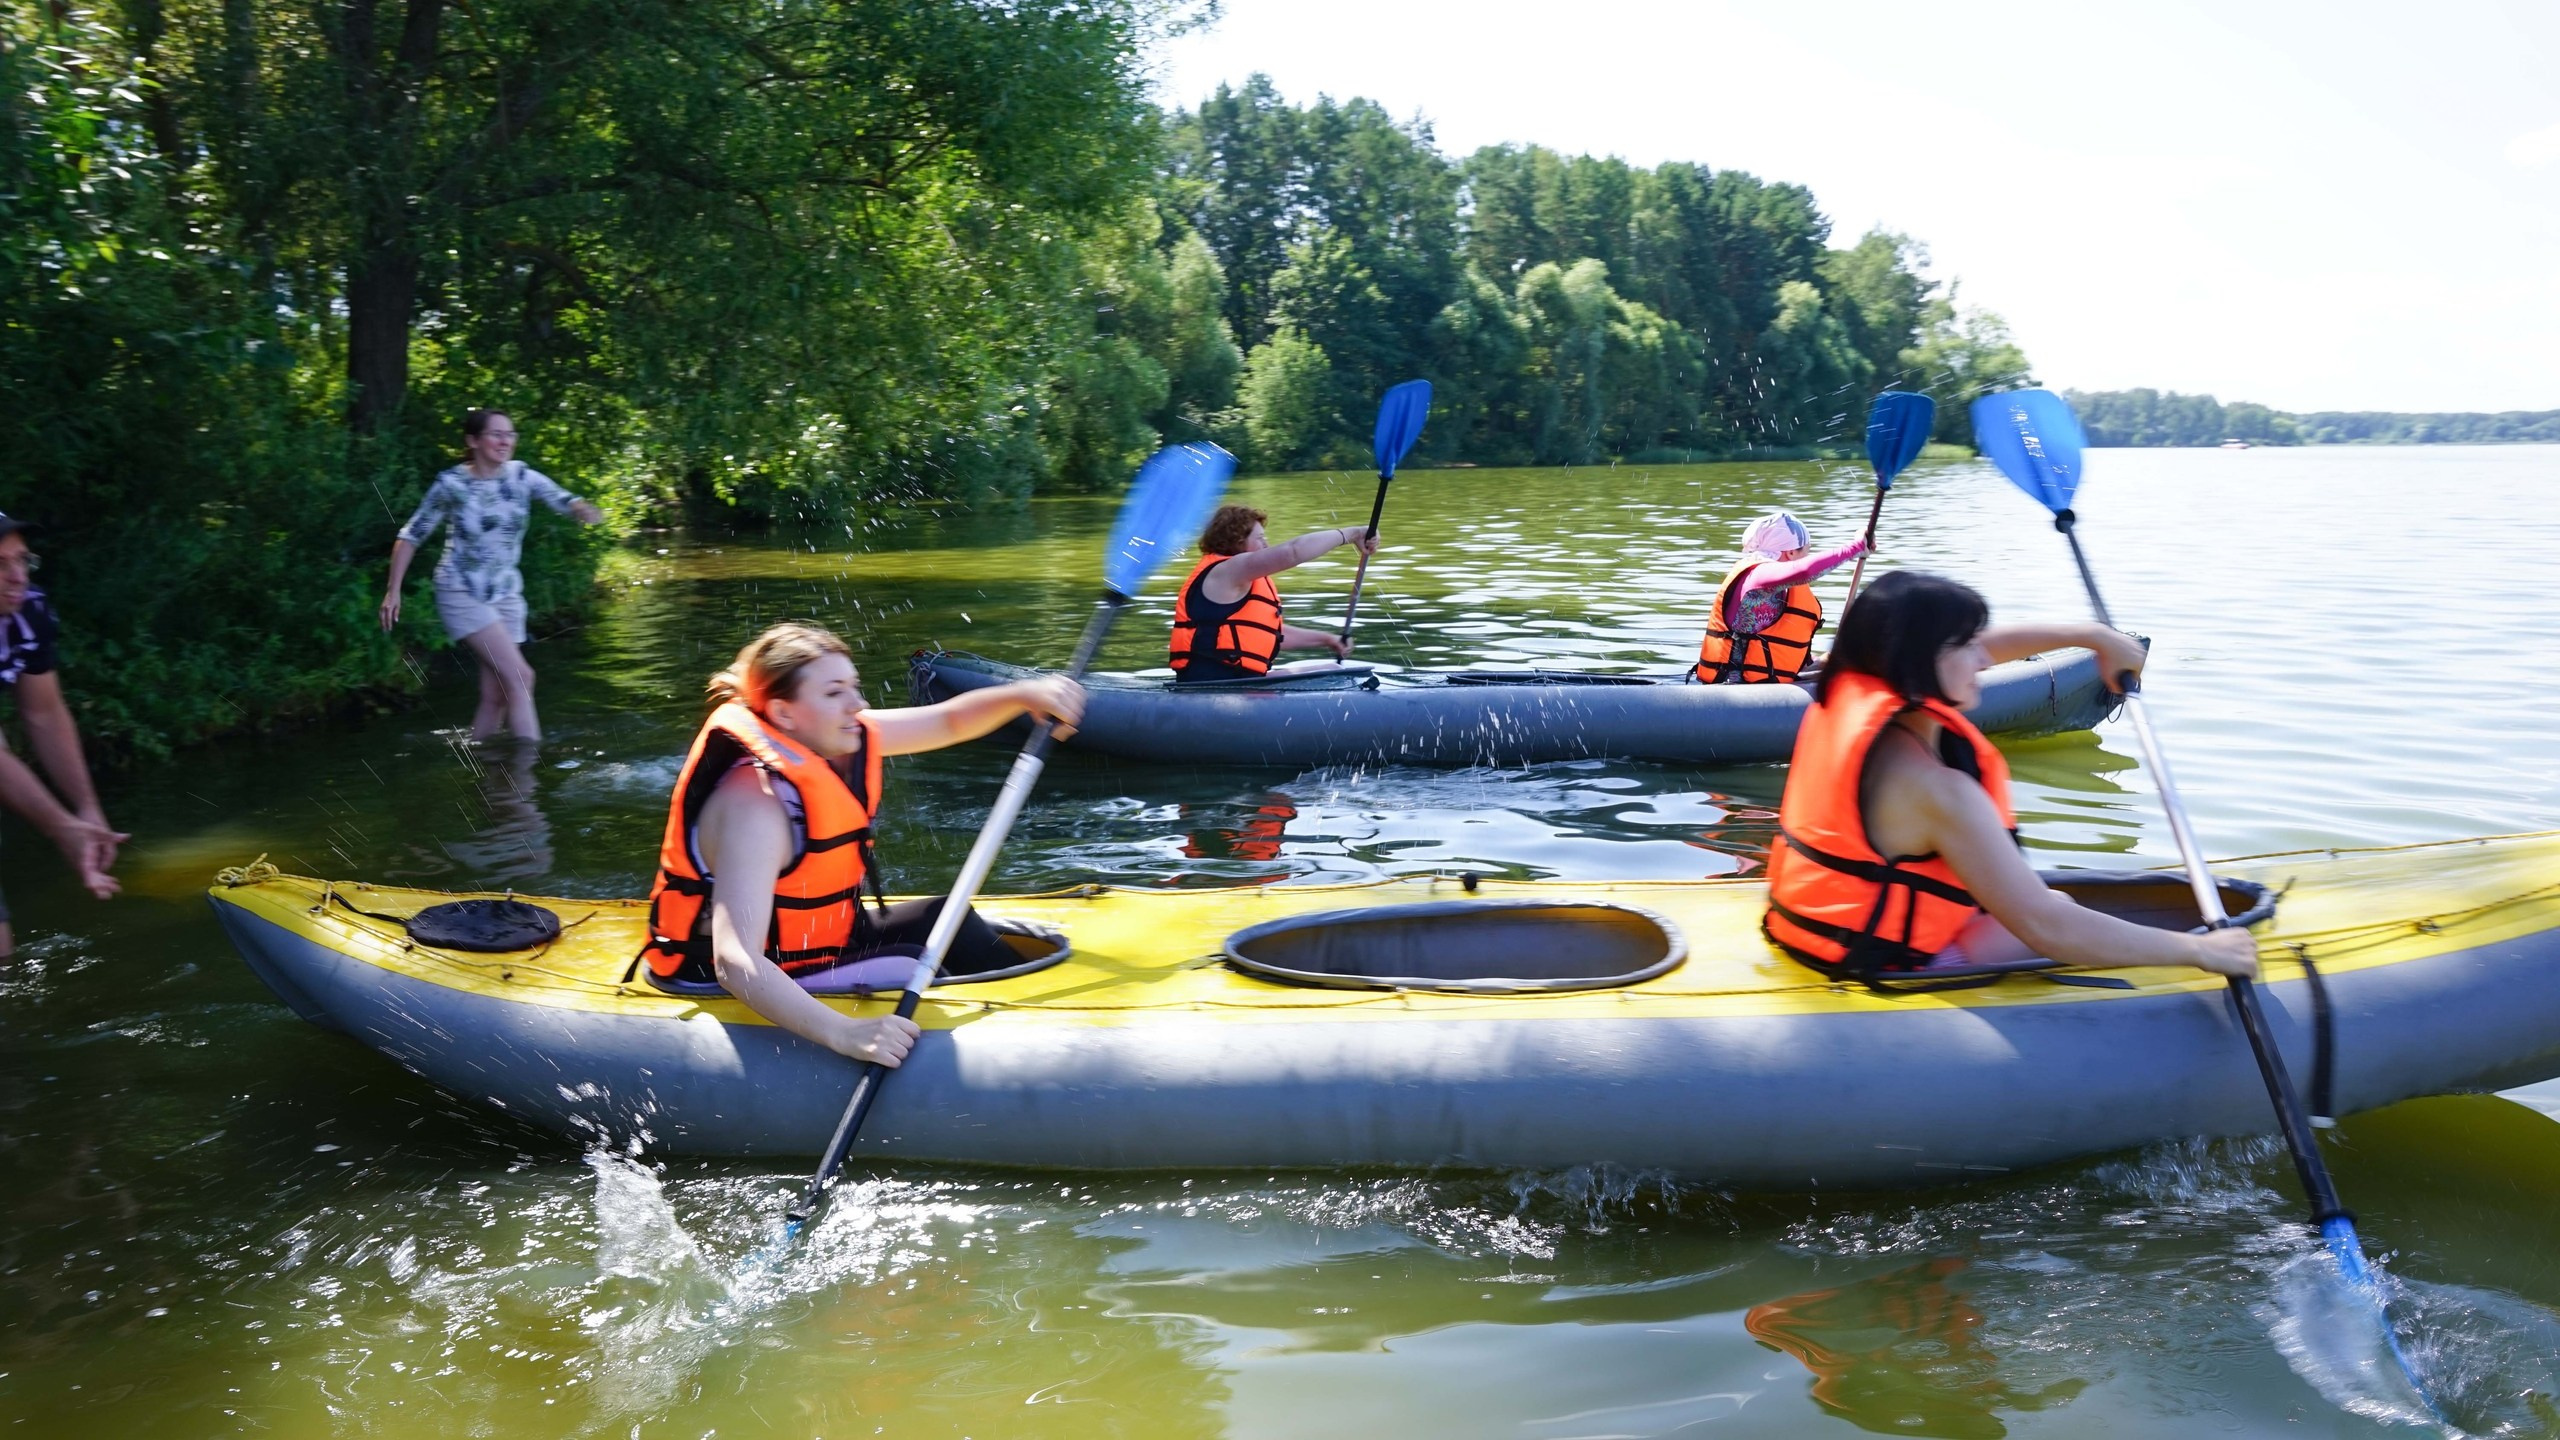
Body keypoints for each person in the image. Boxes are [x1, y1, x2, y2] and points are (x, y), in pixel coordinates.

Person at [1763, 570, 2259, 980]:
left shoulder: (1852, 683)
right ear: (1919, 662)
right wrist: (2200, 953)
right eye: (1966, 646)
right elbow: (2046, 927)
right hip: (1882, 960)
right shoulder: (1936, 790)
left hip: (1816, 931)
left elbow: (1981, 647)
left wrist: (2093, 638)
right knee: (2052, 904)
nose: (1985, 659)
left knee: (2040, 900)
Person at [634, 622, 1085, 1067]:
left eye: (854, 686)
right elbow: (734, 961)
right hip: (741, 975)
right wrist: (845, 1033)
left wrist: (1024, 695)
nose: (858, 704)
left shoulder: (832, 738)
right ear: (784, 713)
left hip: (816, 943)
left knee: (945, 919)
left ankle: (1028, 1021)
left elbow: (949, 721)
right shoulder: (756, 806)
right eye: (834, 693)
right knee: (912, 963)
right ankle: (1001, 1057)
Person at [380, 409, 605, 741]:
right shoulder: (452, 485)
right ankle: (527, 776)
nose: (505, 441)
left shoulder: (521, 476)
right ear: (473, 441)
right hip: (461, 591)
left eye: (510, 434)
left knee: (497, 695)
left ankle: (484, 763)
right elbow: (411, 535)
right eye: (496, 434)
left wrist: (580, 509)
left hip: (506, 594)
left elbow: (561, 499)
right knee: (521, 678)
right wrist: (393, 590)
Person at [0, 513, 125, 959]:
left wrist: (86, 811)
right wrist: (61, 828)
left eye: (22, 560)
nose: (17, 577)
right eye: (0, 564)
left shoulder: (28, 608)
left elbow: (44, 713)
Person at [1168, 505, 1376, 683]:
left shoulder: (1237, 580)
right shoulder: (1226, 571)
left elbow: (1271, 635)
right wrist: (1352, 534)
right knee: (1334, 676)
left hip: (1237, 684)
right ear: (1237, 540)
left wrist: (1328, 639)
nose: (1266, 544)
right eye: (1260, 538)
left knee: (1334, 671)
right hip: (1214, 688)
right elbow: (1292, 552)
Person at [1694, 510, 1869, 684]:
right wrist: (1855, 548)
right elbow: (1805, 570)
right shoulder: (1759, 575)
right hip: (1736, 690)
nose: (1805, 558)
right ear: (1791, 552)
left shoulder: (1777, 585)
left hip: (1769, 685)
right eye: (1805, 553)